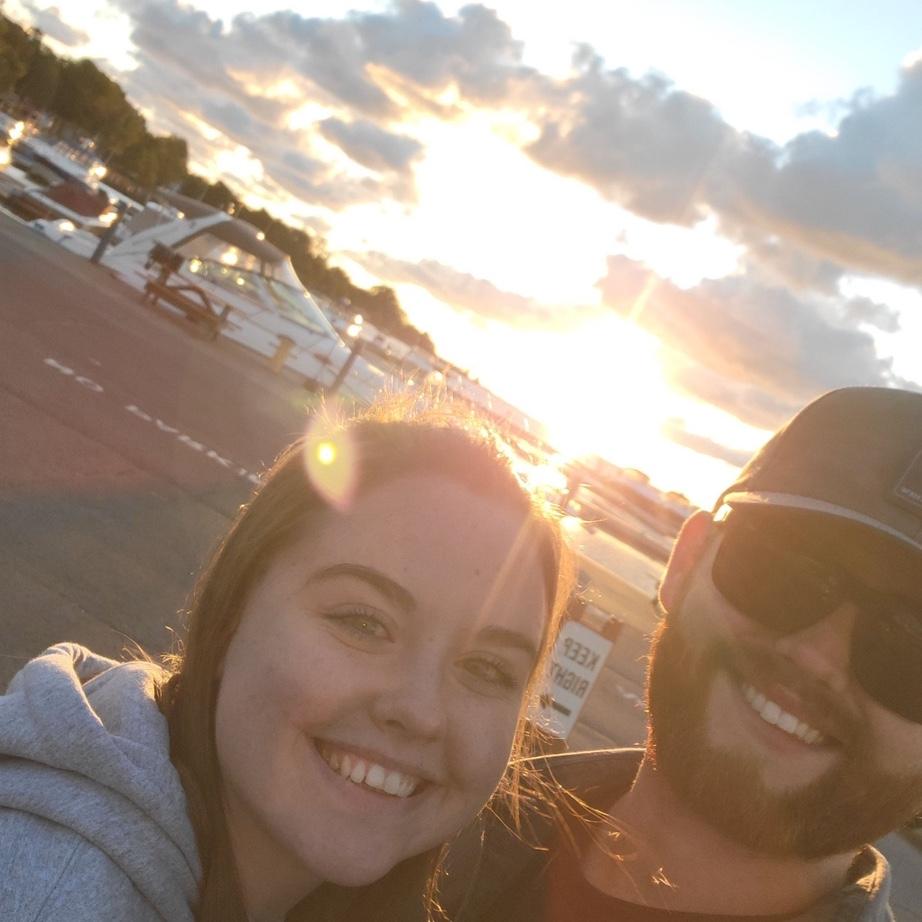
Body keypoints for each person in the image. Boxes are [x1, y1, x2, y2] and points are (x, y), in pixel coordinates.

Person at [0, 401, 573, 922]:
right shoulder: (52, 893)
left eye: (488, 669)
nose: (422, 711)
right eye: (363, 622)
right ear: (231, 612)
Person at [431, 385, 922, 921]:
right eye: (786, 570)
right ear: (685, 561)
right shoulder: (411, 831)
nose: (817, 657)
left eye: (910, 646)